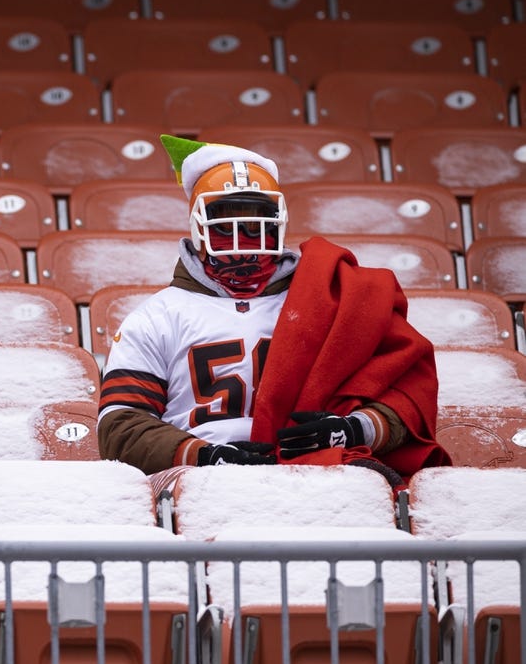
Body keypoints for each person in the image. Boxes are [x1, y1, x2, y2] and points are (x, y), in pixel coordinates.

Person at [97, 134, 450, 482]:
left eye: (255, 224)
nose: (242, 239)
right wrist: (203, 455)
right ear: (198, 224)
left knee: (362, 487)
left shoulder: (329, 297)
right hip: (198, 481)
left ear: (278, 222)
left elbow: (407, 394)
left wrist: (351, 431)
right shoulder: (156, 317)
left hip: (317, 473)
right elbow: (120, 426)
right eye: (227, 222)